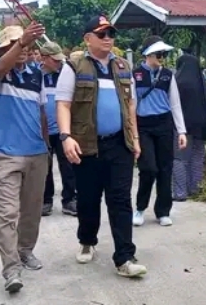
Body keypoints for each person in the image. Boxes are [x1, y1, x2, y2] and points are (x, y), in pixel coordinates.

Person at [55, 14, 147, 278]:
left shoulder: (122, 67)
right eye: (102, 34)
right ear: (88, 38)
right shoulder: (74, 66)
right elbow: (62, 103)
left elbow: (130, 106)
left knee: (120, 200)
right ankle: (87, 241)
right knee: (88, 199)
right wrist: (65, 136)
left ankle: (125, 257)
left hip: (120, 145)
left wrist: (135, 139)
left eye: (111, 34)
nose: (108, 39)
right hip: (86, 145)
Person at [0, 24, 49, 293]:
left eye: (24, 45)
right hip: (7, 155)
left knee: (32, 211)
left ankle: (25, 251)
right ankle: (11, 270)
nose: (22, 50)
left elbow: (42, 112)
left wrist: (47, 145)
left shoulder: (37, 74)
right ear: (3, 49)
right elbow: (0, 69)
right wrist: (21, 42)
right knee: (9, 214)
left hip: (37, 153)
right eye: (13, 44)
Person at [132, 36, 187, 227]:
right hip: (143, 125)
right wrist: (133, 133)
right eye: (159, 54)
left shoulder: (167, 75)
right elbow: (131, 104)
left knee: (165, 169)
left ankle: (163, 211)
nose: (162, 57)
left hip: (164, 124)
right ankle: (140, 208)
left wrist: (181, 131)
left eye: (164, 54)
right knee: (148, 168)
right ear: (149, 54)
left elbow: (175, 104)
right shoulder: (136, 74)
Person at [39, 41, 77, 217]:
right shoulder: (34, 75)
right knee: (44, 168)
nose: (59, 63)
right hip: (42, 131)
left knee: (68, 166)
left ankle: (69, 200)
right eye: (55, 60)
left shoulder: (65, 74)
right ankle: (45, 201)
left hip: (62, 129)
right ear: (44, 58)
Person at [172, 53, 206, 201]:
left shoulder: (176, 82)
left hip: (182, 126)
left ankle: (180, 192)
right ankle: (195, 187)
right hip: (201, 127)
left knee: (180, 158)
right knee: (197, 156)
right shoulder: (201, 81)